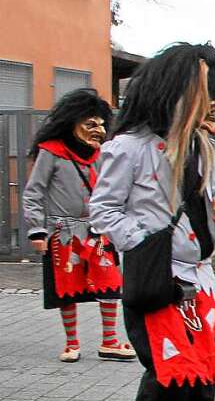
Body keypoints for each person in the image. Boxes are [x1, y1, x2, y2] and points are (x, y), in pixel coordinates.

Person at [89, 43, 215, 401]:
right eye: (202, 92)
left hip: (203, 278)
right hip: (159, 278)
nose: (208, 102)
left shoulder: (202, 143)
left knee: (201, 372)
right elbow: (104, 210)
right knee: (167, 370)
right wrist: (145, 242)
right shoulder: (128, 148)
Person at [22, 89, 135, 363]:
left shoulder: (105, 153)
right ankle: (71, 342)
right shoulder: (51, 152)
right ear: (72, 122)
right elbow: (34, 191)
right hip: (64, 233)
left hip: (99, 231)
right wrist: (37, 228)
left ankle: (110, 341)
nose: (97, 130)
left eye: (101, 124)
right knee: (67, 287)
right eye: (90, 124)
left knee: (110, 285)